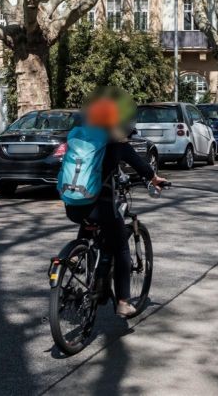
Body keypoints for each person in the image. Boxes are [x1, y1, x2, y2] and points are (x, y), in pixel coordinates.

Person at [63, 92, 166, 318]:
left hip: (72, 203)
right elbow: (141, 166)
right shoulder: (116, 143)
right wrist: (155, 179)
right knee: (120, 248)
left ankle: (74, 256)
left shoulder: (79, 138)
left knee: (89, 223)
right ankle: (123, 301)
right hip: (102, 206)